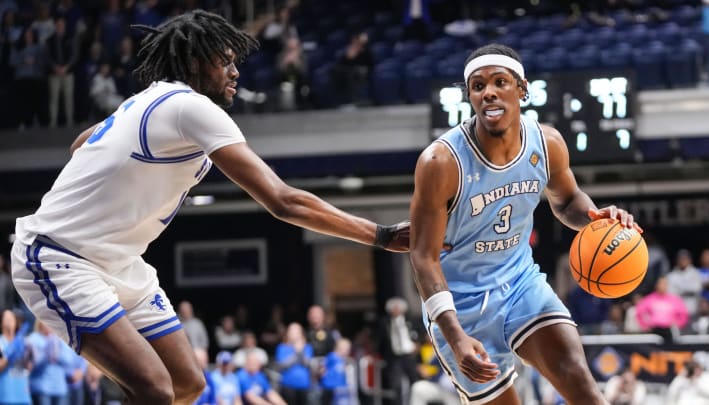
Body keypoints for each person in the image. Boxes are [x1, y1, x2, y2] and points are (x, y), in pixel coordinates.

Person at [9, 10, 409, 405]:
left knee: (187, 385)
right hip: (59, 256)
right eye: (226, 61)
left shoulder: (147, 101)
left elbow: (81, 143)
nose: (236, 72)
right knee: (154, 389)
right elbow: (283, 201)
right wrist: (379, 234)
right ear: (196, 63)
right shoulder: (189, 106)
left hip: (119, 264)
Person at [408, 43, 640, 405]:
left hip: (519, 285)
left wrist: (596, 218)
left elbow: (566, 201)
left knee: (582, 384)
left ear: (522, 89)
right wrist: (454, 335)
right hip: (460, 305)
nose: (489, 92)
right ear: (469, 95)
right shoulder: (441, 162)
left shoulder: (547, 143)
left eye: (500, 82)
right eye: (478, 86)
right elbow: (423, 257)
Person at [635, 276, 688, 342]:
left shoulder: (674, 299)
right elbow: (639, 313)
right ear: (656, 285)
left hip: (669, 330)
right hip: (654, 329)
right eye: (661, 283)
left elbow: (683, 314)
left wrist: (678, 324)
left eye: (665, 283)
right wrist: (644, 325)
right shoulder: (649, 299)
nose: (663, 286)